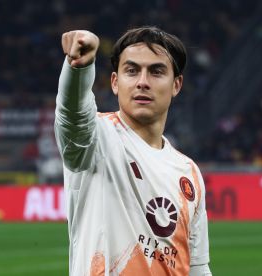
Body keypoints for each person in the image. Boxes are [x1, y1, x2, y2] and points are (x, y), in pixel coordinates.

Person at [55, 27, 212, 275]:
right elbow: (71, 115)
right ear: (115, 83)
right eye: (132, 70)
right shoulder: (96, 139)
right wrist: (79, 68)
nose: (142, 82)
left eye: (156, 71)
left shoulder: (189, 172)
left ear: (176, 85)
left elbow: (197, 267)